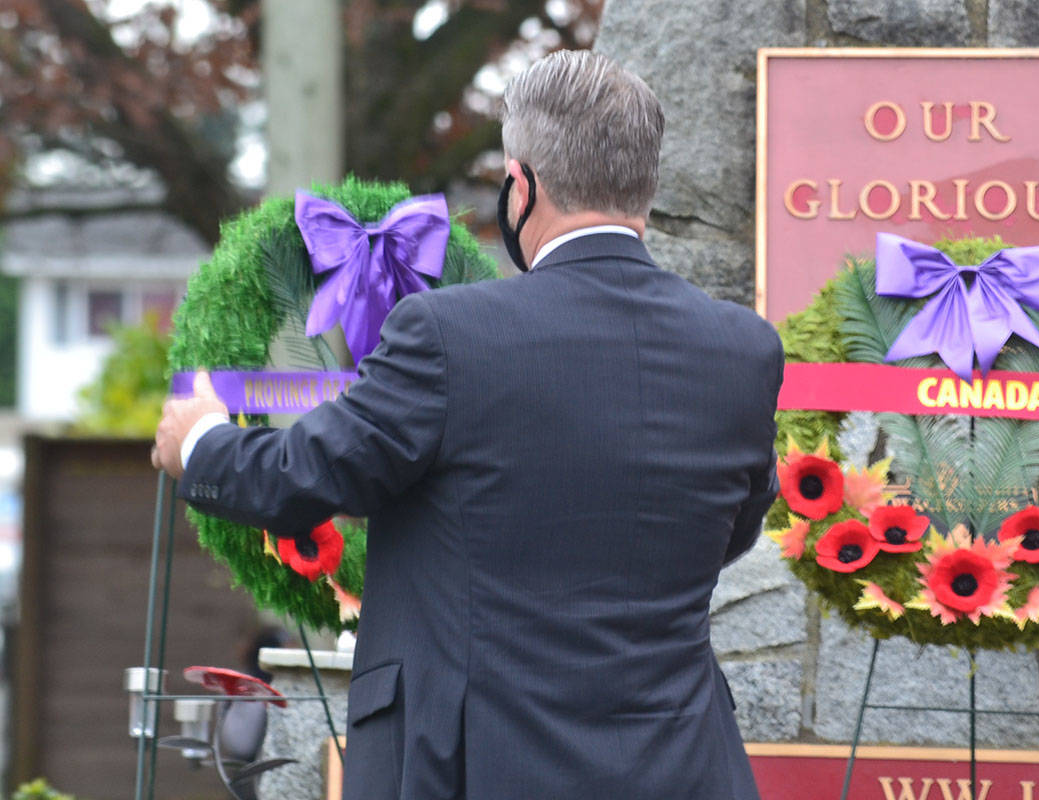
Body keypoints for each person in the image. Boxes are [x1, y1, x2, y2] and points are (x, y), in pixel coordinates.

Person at [153, 50, 782, 800]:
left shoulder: (451, 335)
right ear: (644, 184)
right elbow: (732, 532)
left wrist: (200, 439)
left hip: (475, 766)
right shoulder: (741, 349)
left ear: (521, 187)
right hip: (683, 768)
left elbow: (306, 479)